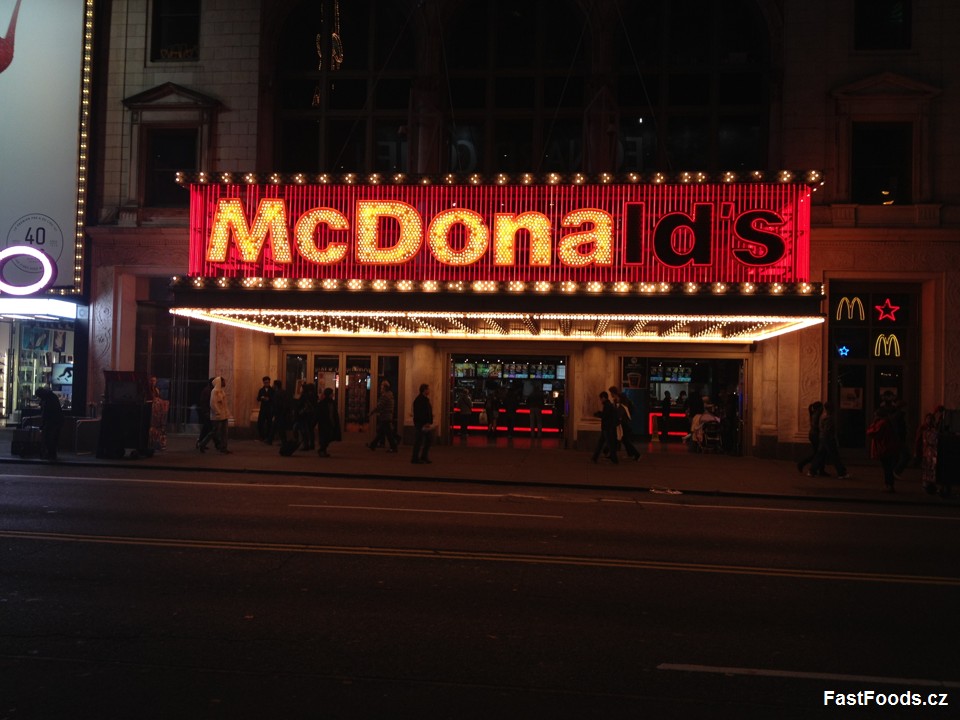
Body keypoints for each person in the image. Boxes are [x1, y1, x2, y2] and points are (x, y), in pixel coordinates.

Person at [808, 401, 849, 479]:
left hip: (822, 437)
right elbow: (827, 430)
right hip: (828, 439)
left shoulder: (823, 416)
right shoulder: (828, 417)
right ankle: (841, 473)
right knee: (834, 455)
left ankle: (812, 470)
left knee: (820, 455)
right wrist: (833, 438)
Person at [867, 406, 900, 493]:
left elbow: (872, 432)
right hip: (888, 447)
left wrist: (873, 424)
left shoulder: (882, 423)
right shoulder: (888, 422)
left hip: (885, 448)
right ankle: (889, 485)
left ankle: (889, 485)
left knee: (887, 468)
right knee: (888, 468)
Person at [198, 376, 231, 453]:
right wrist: (218, 412)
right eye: (223, 381)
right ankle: (202, 444)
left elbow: (224, 404)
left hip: (224, 415)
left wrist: (227, 412)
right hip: (217, 416)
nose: (224, 383)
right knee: (214, 432)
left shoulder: (221, 391)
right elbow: (213, 404)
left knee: (224, 432)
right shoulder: (214, 391)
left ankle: (223, 448)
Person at [609, 386, 641, 460]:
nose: (611, 394)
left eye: (611, 393)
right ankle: (631, 454)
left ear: (614, 393)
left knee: (625, 440)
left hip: (623, 424)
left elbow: (620, 412)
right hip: (622, 423)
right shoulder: (617, 401)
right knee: (624, 440)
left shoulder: (622, 401)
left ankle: (637, 454)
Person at [34, 387, 64, 461]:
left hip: (52, 421)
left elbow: (46, 412)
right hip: (56, 421)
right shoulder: (51, 396)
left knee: (49, 438)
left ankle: (50, 454)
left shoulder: (48, 399)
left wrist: (43, 423)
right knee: (52, 438)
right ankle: (51, 454)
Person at [368, 379, 398, 452]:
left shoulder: (385, 396)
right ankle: (373, 444)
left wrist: (372, 412)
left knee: (387, 433)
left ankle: (393, 447)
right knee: (382, 432)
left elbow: (380, 406)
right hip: (388, 416)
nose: (380, 388)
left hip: (385, 416)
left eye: (381, 386)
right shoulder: (390, 395)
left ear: (384, 387)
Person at [591, 391, 620, 465]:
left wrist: (598, 414)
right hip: (607, 428)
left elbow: (605, 415)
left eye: (601, 399)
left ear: (604, 398)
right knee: (601, 443)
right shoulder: (609, 405)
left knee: (609, 445)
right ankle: (594, 458)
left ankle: (614, 459)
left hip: (607, 428)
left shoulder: (607, 405)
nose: (600, 400)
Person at [797, 401, 824, 474]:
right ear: (819, 408)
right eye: (822, 407)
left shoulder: (815, 414)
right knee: (818, 453)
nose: (823, 408)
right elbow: (815, 426)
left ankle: (820, 469)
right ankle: (802, 464)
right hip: (815, 435)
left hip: (813, 435)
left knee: (818, 453)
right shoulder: (817, 415)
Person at [411, 383, 434, 464]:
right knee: (419, 441)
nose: (429, 391)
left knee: (426, 440)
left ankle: (421, 457)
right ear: (424, 390)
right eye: (428, 389)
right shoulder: (420, 400)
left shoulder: (423, 399)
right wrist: (425, 423)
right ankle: (416, 458)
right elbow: (420, 413)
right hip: (421, 424)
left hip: (424, 424)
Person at [316, 386, 341, 457]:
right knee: (326, 437)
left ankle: (323, 450)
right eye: (331, 393)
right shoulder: (326, 403)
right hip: (326, 423)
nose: (332, 395)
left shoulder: (328, 403)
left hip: (327, 423)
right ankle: (322, 450)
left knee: (327, 437)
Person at [295, 382, 318, 451]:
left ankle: (306, 444)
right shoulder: (314, 396)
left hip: (305, 415)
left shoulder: (304, 396)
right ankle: (312, 444)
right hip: (312, 415)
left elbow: (300, 404)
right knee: (310, 430)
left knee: (304, 430)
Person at [148, 375, 168, 451]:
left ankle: (157, 444)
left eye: (154, 381)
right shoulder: (149, 390)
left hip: (157, 411)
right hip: (152, 410)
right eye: (152, 381)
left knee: (158, 427)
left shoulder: (156, 390)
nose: (153, 382)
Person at [270, 379, 292, 446]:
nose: (272, 386)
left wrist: (274, 413)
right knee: (276, 427)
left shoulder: (277, 393)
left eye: (273, 384)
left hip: (279, 413)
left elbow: (277, 404)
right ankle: (270, 439)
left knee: (280, 428)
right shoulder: (284, 392)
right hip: (283, 413)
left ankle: (283, 441)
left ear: (276, 386)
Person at [196, 378, 214, 448]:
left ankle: (201, 442)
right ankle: (201, 442)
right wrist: (206, 412)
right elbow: (204, 402)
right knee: (210, 429)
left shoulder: (209, 390)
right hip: (207, 412)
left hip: (207, 412)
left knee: (206, 429)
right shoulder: (207, 391)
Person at [256, 376, 273, 443]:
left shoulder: (272, 390)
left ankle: (268, 437)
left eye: (268, 382)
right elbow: (258, 398)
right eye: (265, 382)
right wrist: (261, 398)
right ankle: (262, 436)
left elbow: (274, 399)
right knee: (260, 423)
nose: (267, 384)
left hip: (269, 409)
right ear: (263, 382)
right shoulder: (261, 390)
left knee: (269, 423)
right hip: (263, 409)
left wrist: (269, 399)